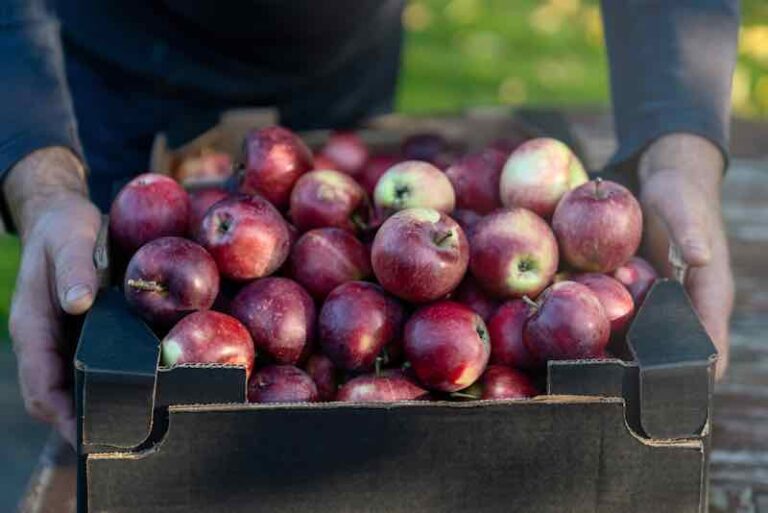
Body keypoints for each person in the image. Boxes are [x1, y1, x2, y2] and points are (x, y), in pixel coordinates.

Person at [1, 0, 737, 446]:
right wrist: (39, 180)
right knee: (117, 347)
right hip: (110, 75)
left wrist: (679, 141)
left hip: (343, 66)